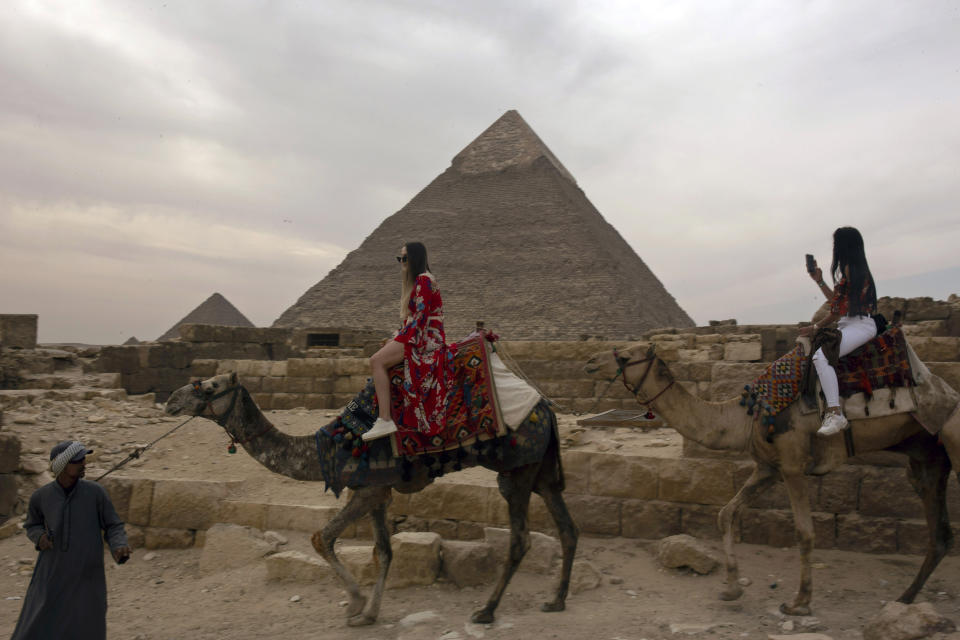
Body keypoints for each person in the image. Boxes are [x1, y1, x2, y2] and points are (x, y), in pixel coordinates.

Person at [11, 441, 131, 640]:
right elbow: (32, 525)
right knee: (40, 620)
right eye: (78, 460)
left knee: (87, 622)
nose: (84, 463)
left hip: (87, 573)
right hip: (52, 572)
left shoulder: (95, 493)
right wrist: (40, 538)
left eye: (84, 459)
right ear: (62, 466)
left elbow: (113, 525)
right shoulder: (41, 497)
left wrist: (119, 545)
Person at [364, 241, 450, 441]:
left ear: (415, 258)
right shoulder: (419, 281)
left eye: (404, 258)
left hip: (426, 338)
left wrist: (398, 339)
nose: (401, 262)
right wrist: (395, 338)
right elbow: (412, 321)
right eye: (399, 258)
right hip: (420, 333)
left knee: (376, 361)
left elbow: (419, 320)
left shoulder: (424, 280)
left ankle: (384, 419)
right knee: (383, 356)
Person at [798, 227, 878, 437]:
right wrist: (820, 280)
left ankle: (835, 413)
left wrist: (815, 328)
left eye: (836, 244)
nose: (835, 249)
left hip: (860, 326)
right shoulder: (850, 271)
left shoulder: (853, 270)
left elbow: (837, 311)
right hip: (848, 324)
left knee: (821, 357)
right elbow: (837, 302)